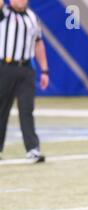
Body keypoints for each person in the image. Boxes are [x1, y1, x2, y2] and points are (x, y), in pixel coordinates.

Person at [0, 0, 49, 162]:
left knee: (27, 109)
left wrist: (44, 70)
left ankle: (32, 149)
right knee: (2, 109)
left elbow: (38, 43)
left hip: (26, 68)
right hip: (5, 67)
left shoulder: (32, 17)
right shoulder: (4, 13)